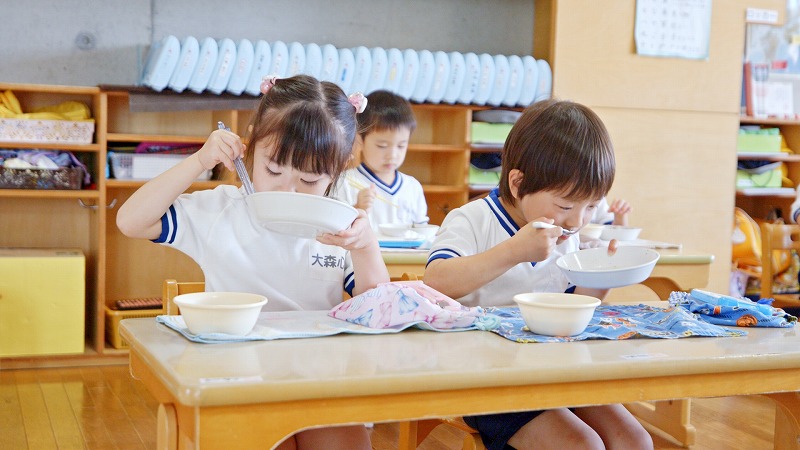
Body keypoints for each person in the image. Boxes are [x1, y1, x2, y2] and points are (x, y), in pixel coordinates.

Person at [116, 74, 386, 450]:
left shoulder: (338, 222)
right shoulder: (221, 210)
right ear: (250, 143)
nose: (286, 189)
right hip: (235, 379)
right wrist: (199, 161)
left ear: (338, 169)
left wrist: (366, 245)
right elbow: (131, 221)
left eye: (309, 180)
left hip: (320, 379)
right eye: (273, 170)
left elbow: (377, 302)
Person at [424, 99, 653, 450]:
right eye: (565, 205)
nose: (576, 221)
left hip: (553, 370)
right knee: (582, 445)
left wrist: (601, 281)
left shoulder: (567, 234)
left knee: (635, 439)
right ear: (518, 184)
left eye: (591, 206)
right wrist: (514, 251)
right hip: (480, 376)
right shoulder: (472, 219)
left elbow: (569, 307)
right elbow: (436, 282)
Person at [333, 90, 427, 229]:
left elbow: (421, 231)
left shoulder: (412, 187)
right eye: (382, 146)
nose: (393, 155)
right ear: (360, 139)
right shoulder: (344, 182)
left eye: (401, 146)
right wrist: (357, 208)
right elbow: (333, 231)